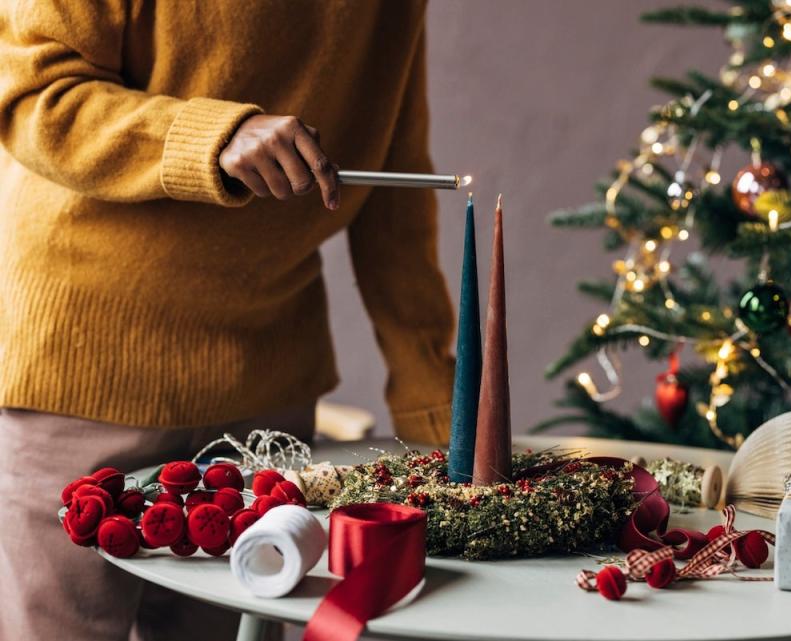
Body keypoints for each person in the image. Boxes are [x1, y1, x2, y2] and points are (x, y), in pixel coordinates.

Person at [0, 2, 455, 639]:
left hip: (265, 391)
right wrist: (212, 136)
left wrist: (436, 403)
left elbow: (393, 192)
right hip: (82, 371)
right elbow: (30, 95)